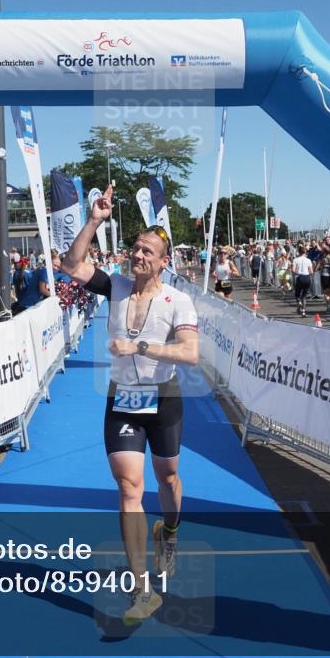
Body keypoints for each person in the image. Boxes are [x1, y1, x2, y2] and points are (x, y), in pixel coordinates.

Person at [61, 185, 198, 627]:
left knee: (169, 478)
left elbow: (190, 353)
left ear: (163, 262)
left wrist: (140, 345)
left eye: (147, 251)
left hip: (163, 399)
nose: (137, 255)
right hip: (122, 401)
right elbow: (71, 265)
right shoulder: (116, 286)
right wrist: (94, 220)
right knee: (129, 489)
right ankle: (142, 589)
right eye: (135, 248)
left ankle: (170, 533)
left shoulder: (179, 300)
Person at [291, 249, 313, 317]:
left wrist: (296, 272)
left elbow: (293, 270)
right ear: (305, 253)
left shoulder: (295, 260)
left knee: (297, 294)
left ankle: (299, 302)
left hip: (300, 277)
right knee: (304, 296)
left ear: (298, 253)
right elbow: (311, 271)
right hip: (307, 278)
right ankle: (303, 311)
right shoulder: (308, 260)